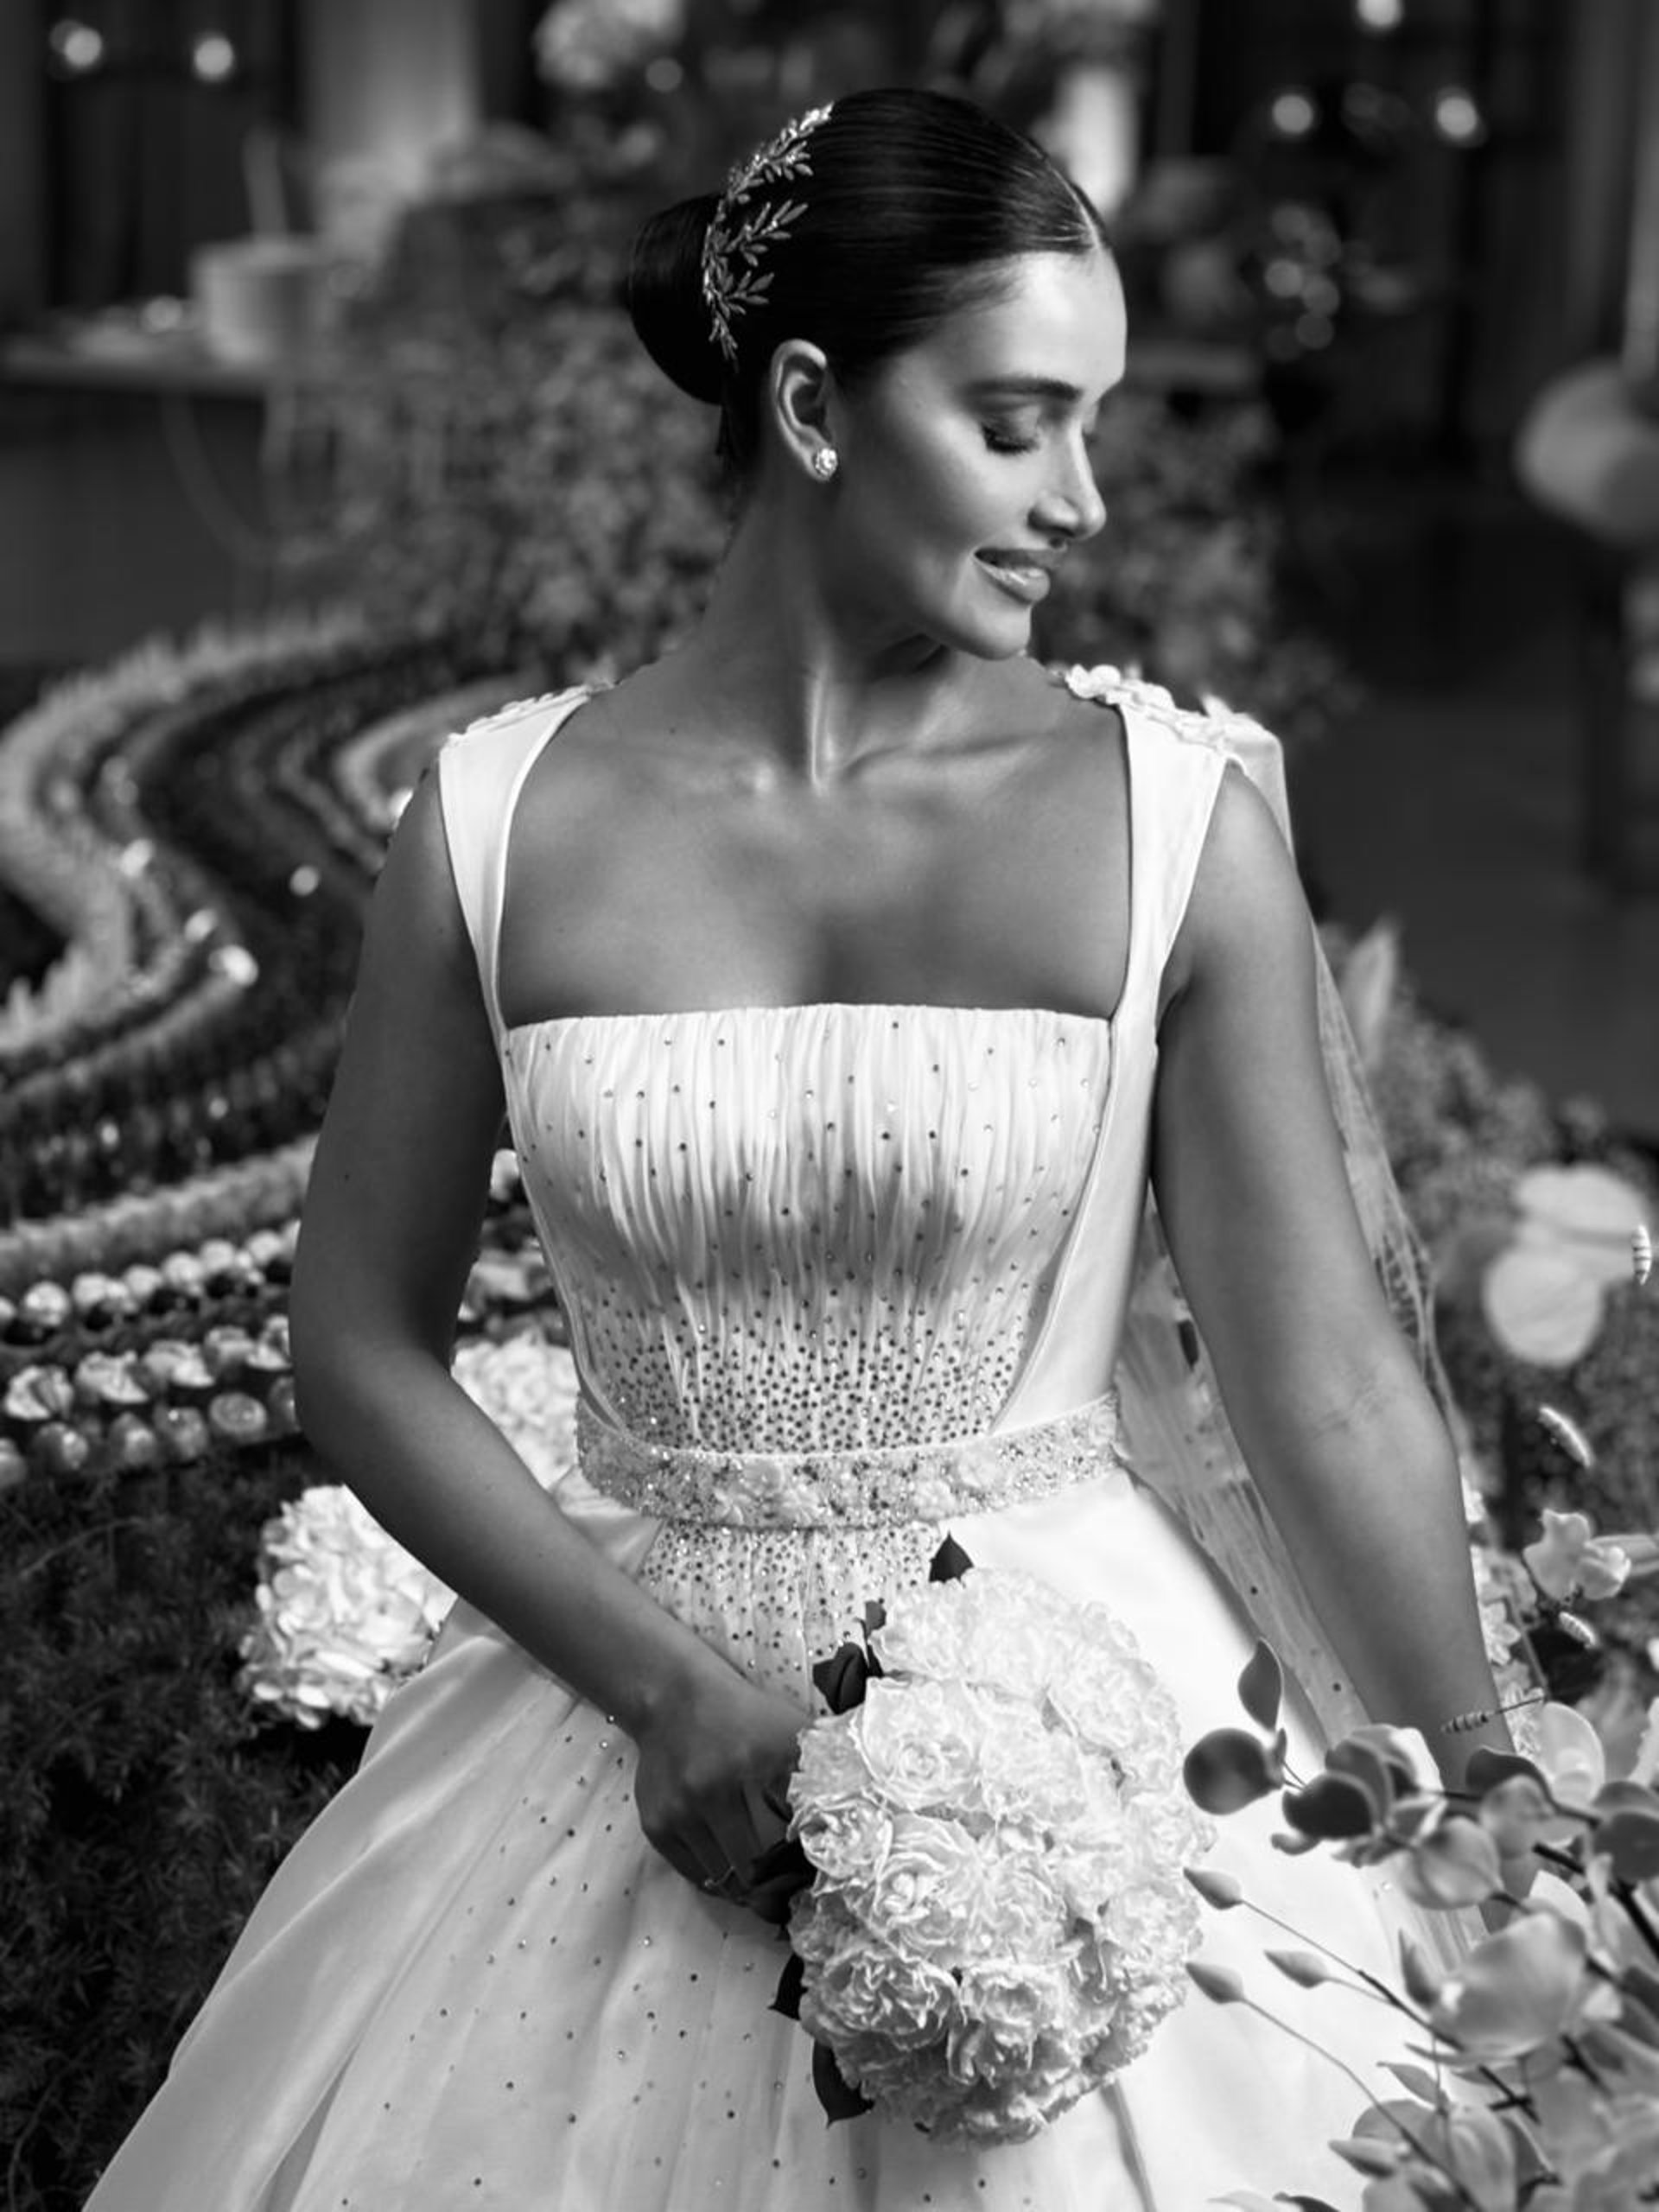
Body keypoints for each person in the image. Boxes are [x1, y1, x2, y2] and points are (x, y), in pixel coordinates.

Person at [84, 88, 1510, 2210]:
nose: (1085, 499)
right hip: (616, 1718)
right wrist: (665, 1690)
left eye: (1094, 426)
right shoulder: (489, 826)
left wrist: (1500, 1824)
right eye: (1021, 423)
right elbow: (357, 1346)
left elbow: (1321, 1385)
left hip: (1096, 1751)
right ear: (819, 403)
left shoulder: (1174, 827)